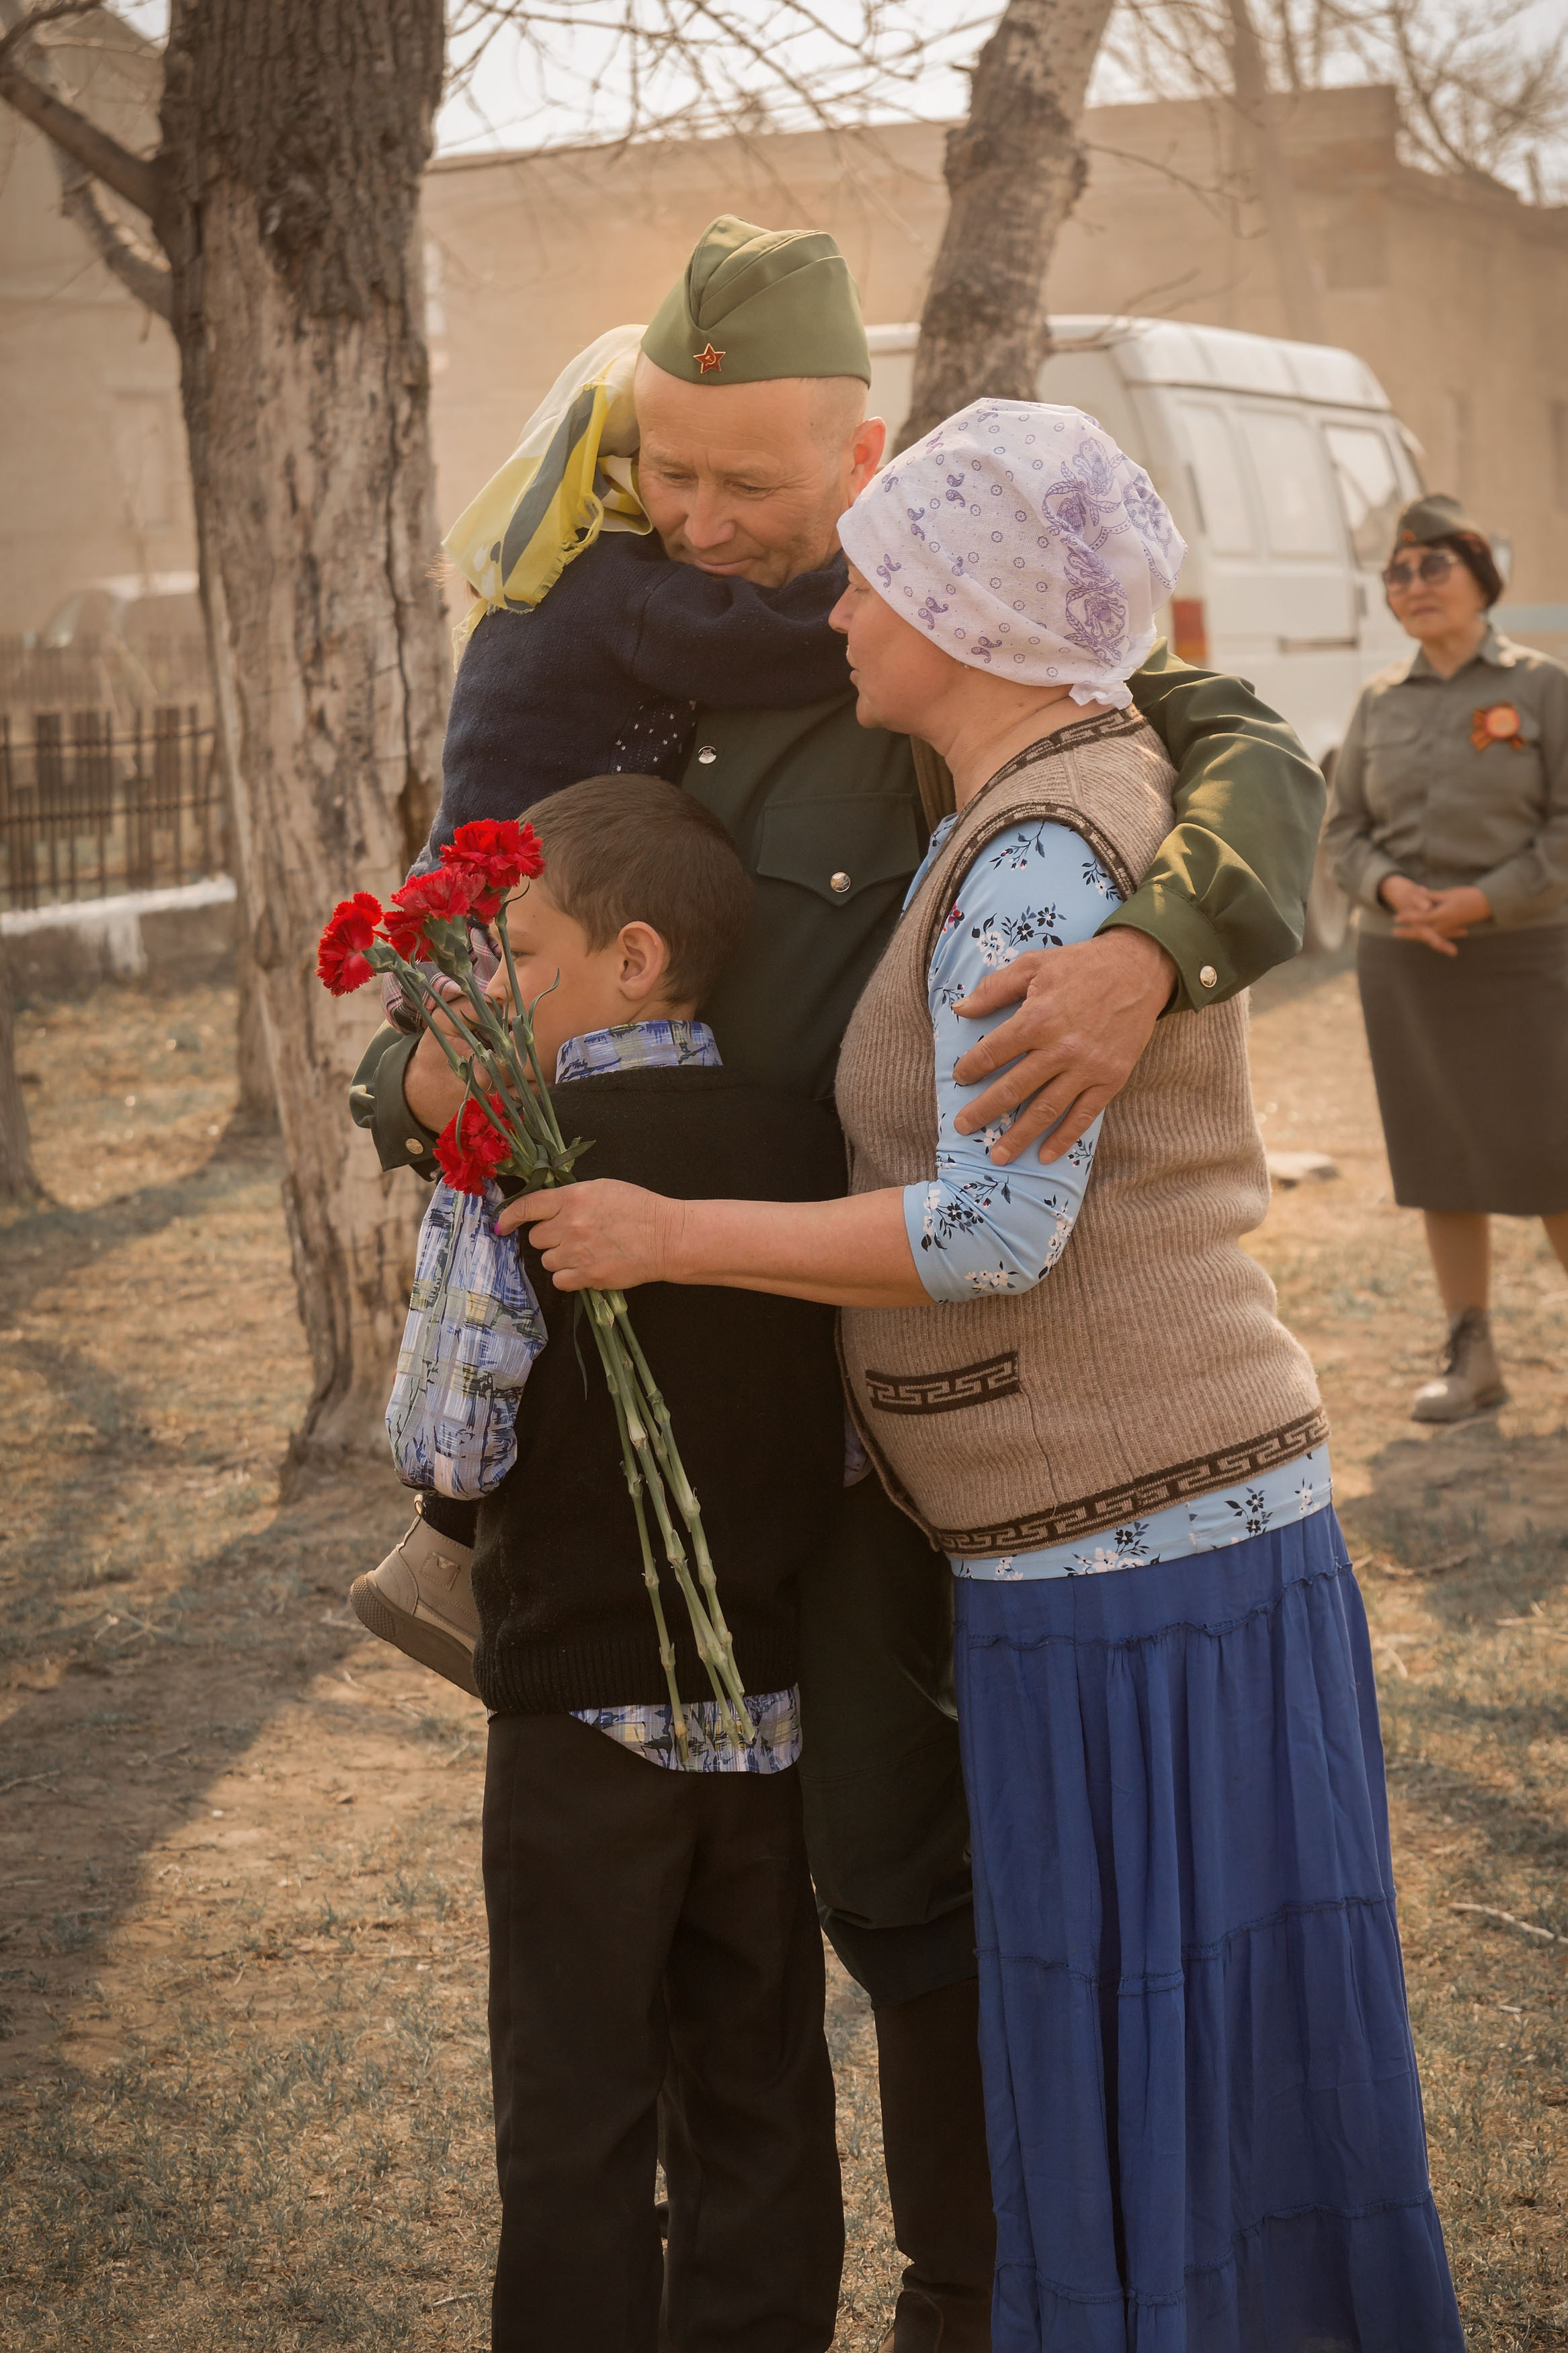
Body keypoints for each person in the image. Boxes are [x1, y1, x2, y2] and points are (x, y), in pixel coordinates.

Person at [349, 215, 1330, 2352]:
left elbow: (1228, 743)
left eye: (750, 490)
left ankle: (967, 2290)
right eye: (662, 478)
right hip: (631, 1421)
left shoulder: (921, 622)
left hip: (885, 1392)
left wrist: (1153, 945)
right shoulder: (563, 657)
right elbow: (443, 954)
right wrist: (407, 1071)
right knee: (649, 1946)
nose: (700, 528)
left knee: (899, 1882)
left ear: (854, 455)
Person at [505, 402, 1466, 2353]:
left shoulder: (1035, 848)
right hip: (1106, 1529)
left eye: (877, 575)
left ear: (964, 604)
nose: (841, 609)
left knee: (1155, 2036)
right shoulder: (1032, 805)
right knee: (1177, 2050)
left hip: (1131, 1552)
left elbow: (985, 1232)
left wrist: (668, 1232)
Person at [454, 772, 848, 2351]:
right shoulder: (802, 1143)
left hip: (583, 1721)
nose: (489, 985)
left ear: (630, 958)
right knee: (758, 2087)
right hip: (761, 1702)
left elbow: (450, 1443)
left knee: (577, 2107)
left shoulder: (524, 1155)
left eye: (517, 948)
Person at [1325, 492, 1568, 1423]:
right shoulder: (1377, 700)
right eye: (1397, 573)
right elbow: (1343, 829)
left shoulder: (1542, 687)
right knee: (1441, 1158)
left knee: (1551, 1153)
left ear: (1480, 578)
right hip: (1407, 961)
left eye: (1434, 567)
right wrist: (1390, 893)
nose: (1413, 585)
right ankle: (1471, 1356)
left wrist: (1480, 899)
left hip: (1522, 956)